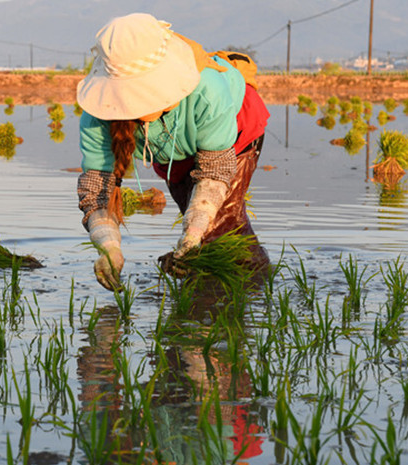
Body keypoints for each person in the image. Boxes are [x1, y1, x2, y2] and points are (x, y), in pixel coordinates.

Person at [76, 13, 270, 291]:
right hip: (172, 153)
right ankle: (214, 299)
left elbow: (214, 171)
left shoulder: (207, 89)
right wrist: (108, 248)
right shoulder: (99, 114)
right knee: (200, 241)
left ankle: (250, 294)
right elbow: (98, 191)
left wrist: (194, 232)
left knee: (217, 226)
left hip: (234, 135)